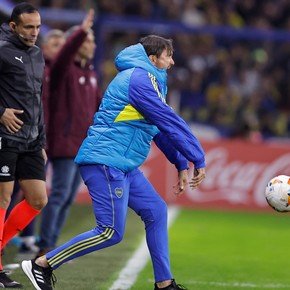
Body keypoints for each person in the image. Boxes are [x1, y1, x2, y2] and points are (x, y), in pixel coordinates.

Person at [21, 35, 206, 290]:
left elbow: (157, 128)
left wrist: (181, 163)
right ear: (153, 59)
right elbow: (168, 121)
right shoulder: (138, 79)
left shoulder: (149, 81)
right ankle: (42, 264)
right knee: (110, 232)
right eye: (168, 56)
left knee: (156, 212)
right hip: (106, 162)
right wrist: (198, 157)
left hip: (123, 164)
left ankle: (164, 284)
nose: (173, 62)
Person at [36, 9, 102, 257]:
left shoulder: (91, 74)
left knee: (66, 199)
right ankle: (45, 245)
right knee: (59, 195)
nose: (91, 45)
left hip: (84, 147)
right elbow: (63, 56)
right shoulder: (64, 70)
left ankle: (49, 244)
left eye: (93, 40)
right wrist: (81, 30)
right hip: (64, 143)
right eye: (87, 40)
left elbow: (99, 108)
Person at [0, 2, 47, 288]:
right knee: (3, 200)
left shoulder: (38, 54)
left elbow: (36, 100)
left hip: (31, 140)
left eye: (38, 27)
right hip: (5, 136)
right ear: (14, 26)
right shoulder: (2, 50)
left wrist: (40, 139)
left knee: (38, 199)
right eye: (28, 27)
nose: (34, 32)